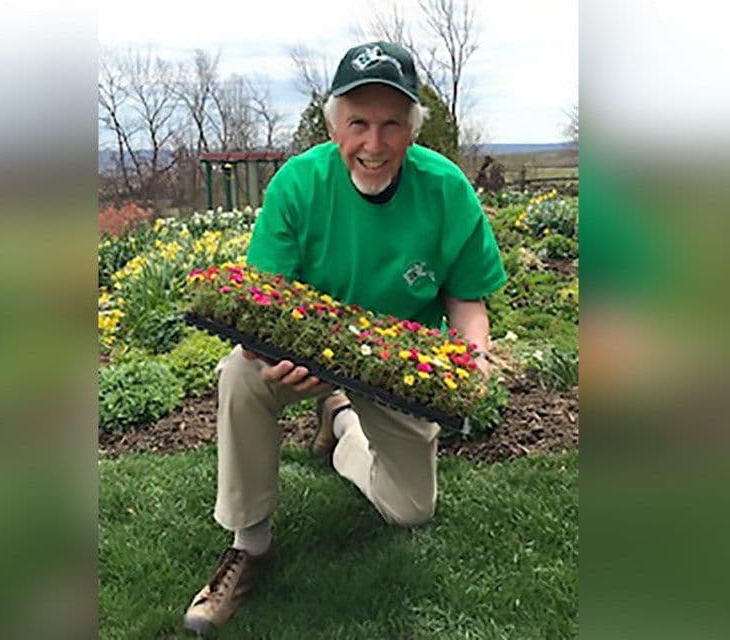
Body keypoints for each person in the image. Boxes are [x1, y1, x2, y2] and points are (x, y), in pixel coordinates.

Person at [183, 41, 507, 635]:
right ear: (335, 126)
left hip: (395, 369)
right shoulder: (298, 185)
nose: (374, 145)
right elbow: (263, 302)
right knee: (237, 373)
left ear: (412, 130)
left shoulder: (445, 189)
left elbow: (466, 299)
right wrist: (269, 354)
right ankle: (249, 544)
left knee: (410, 510)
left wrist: (474, 356)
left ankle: (341, 428)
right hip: (303, 353)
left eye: (390, 124)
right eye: (358, 123)